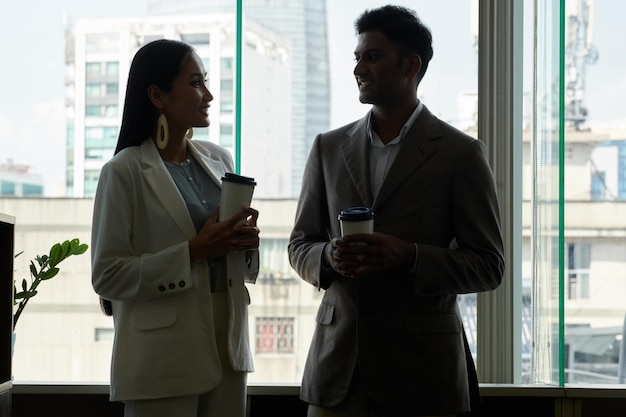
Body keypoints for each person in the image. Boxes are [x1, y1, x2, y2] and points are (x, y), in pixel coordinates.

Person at [288, 5, 504, 417]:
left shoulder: (461, 154)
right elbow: (300, 244)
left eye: (372, 56)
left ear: (411, 64)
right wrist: (328, 256)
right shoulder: (328, 148)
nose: (358, 68)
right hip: (337, 373)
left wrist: (409, 255)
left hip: (423, 374)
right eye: (357, 57)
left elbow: (489, 265)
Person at [91, 39, 260, 417]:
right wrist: (194, 251)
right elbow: (107, 275)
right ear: (157, 96)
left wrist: (245, 244)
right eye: (196, 82)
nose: (209, 95)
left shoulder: (219, 159)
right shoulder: (123, 172)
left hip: (228, 348)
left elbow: (236, 264)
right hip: (160, 361)